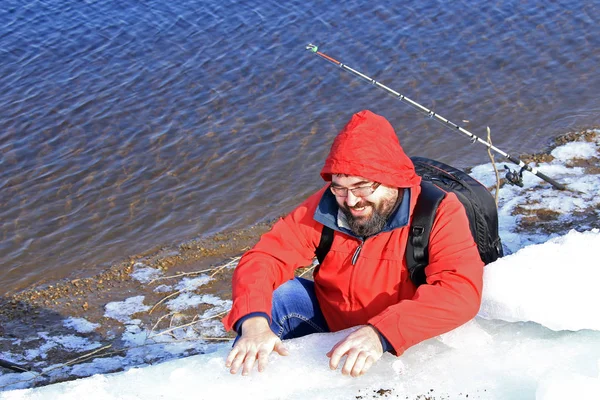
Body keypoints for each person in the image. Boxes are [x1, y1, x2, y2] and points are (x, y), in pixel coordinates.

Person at [222, 110, 484, 377]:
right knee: (279, 297)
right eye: (340, 188)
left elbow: (459, 291)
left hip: (399, 333)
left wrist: (380, 332)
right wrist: (253, 321)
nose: (351, 201)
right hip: (332, 318)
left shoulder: (437, 211)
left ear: (393, 178)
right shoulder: (325, 205)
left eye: (362, 187)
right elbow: (266, 257)